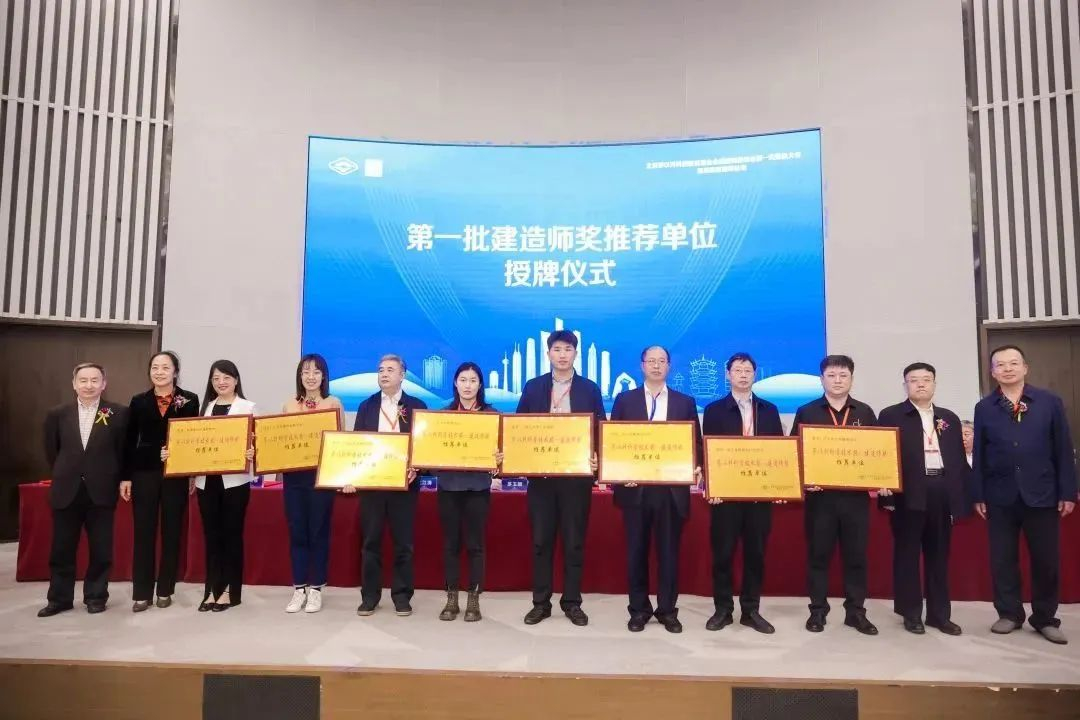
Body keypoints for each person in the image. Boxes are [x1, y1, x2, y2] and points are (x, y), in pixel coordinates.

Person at [971, 345, 1077, 645]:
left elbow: (1063, 449)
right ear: (992, 372)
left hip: (1042, 493)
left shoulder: (1049, 402)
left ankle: (1045, 618)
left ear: (1025, 368)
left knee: (1046, 560)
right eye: (1000, 365)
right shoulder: (985, 408)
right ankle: (1009, 613)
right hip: (999, 495)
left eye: (1013, 363)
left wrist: (1068, 491)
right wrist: (978, 493)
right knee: (1002, 559)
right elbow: (979, 453)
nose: (1007, 369)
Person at [610, 346, 702, 634]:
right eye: (651, 361)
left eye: (662, 361)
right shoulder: (625, 400)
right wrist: (619, 474)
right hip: (635, 489)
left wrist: (697, 465)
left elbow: (695, 444)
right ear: (642, 365)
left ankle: (667, 611)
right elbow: (613, 443)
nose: (657, 366)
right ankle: (638, 610)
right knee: (636, 553)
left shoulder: (685, 402)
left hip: (671, 491)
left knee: (669, 554)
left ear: (669, 366)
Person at [516, 329, 604, 627]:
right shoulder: (533, 387)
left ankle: (572, 602)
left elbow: (600, 430)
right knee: (541, 542)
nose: (562, 354)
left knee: (574, 542)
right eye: (557, 349)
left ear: (576, 354)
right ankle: (540, 603)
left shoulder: (589, 389)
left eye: (568, 349)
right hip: (541, 479)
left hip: (576, 480)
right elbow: (519, 429)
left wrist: (597, 458)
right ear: (548, 354)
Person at [877, 362, 968, 636]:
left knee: (939, 555)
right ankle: (911, 613)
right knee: (907, 555)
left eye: (926, 379)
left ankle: (939, 615)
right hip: (907, 492)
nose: (920, 384)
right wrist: (885, 489)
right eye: (914, 380)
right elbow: (881, 455)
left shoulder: (948, 418)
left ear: (934, 384)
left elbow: (958, 461)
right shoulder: (891, 415)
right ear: (905, 385)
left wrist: (958, 498)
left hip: (941, 489)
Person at [791, 354, 879, 635]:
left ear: (851, 379)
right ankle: (818, 611)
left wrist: (881, 478)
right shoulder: (807, 412)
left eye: (843, 375)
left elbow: (878, 453)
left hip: (856, 500)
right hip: (821, 500)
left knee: (856, 558)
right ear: (822, 379)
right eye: (831, 375)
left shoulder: (865, 412)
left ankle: (856, 612)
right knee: (818, 557)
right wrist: (804, 480)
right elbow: (795, 452)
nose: (837, 380)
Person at [38, 364, 129, 617]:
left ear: (104, 383)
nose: (89, 385)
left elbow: (123, 451)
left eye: (94, 380)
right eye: (83, 380)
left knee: (101, 549)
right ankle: (59, 599)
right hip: (67, 489)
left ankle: (96, 596)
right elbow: (52, 451)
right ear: (74, 383)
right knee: (61, 548)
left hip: (101, 489)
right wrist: (67, 471)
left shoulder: (119, 413)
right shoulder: (57, 414)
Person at [702, 352, 784, 634]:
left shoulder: (769, 410)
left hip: (759, 496)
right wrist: (711, 485)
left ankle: (751, 611)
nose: (743, 375)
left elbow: (779, 452)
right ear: (728, 374)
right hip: (726, 497)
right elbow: (708, 451)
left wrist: (780, 485)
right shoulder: (714, 410)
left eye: (748, 370)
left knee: (755, 555)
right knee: (723, 555)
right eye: (737, 370)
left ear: (754, 374)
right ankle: (723, 610)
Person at [348, 354, 426, 617]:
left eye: (390, 370)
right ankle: (370, 596)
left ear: (402, 375)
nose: (384, 374)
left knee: (404, 544)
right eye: (381, 370)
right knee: (371, 542)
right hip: (373, 485)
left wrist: (417, 466)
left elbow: (423, 445)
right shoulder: (367, 406)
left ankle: (402, 596)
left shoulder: (416, 406)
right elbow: (357, 445)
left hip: (404, 485)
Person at [125, 351, 200, 612]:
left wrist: (191, 473)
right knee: (143, 533)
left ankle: (165, 589)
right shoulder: (138, 401)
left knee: (172, 532)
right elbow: (129, 441)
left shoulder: (190, 400)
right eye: (155, 367)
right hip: (144, 473)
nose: (159, 372)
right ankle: (141, 592)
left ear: (175, 372)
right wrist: (126, 476)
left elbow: (193, 439)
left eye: (165, 367)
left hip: (175, 476)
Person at [435, 362, 501, 623]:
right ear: (455, 383)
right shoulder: (443, 415)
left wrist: (499, 458)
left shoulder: (491, 416)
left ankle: (474, 598)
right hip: (449, 487)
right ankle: (451, 598)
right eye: (463, 380)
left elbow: (502, 454)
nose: (468, 385)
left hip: (478, 488)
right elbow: (432, 451)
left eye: (473, 380)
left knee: (475, 545)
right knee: (450, 545)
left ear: (480, 385)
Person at [280, 353, 344, 614]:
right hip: (294, 477)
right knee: (297, 532)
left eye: (316, 372)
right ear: (299, 376)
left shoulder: (333, 403)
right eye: (305, 371)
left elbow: (340, 443)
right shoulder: (289, 405)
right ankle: (299, 588)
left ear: (324, 376)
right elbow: (281, 442)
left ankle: (316, 588)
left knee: (318, 532)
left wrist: (340, 476)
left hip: (321, 478)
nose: (310, 376)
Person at [191, 360, 256, 612]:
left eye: (226, 377)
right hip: (207, 481)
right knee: (211, 536)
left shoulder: (248, 407)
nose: (221, 382)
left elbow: (257, 444)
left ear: (236, 380)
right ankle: (211, 589)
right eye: (216, 378)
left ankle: (230, 591)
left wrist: (252, 452)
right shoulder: (205, 407)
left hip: (235, 482)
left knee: (232, 535)